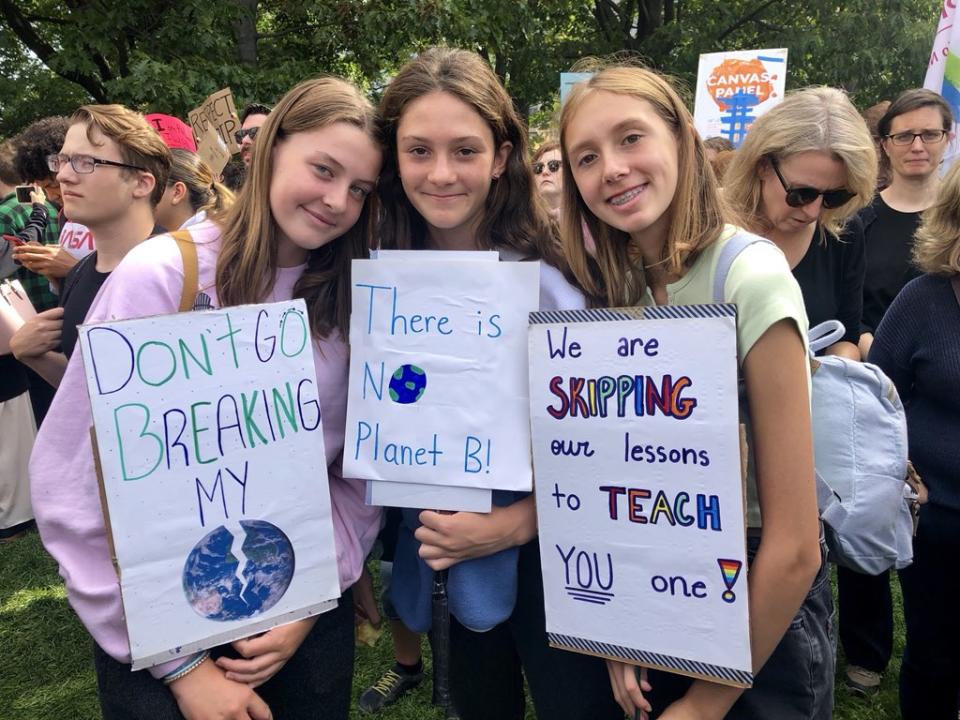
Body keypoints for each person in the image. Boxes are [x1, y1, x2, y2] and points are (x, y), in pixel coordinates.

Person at [29, 76, 382, 720]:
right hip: (161, 634)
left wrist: (314, 592)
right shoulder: (161, 273)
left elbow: (355, 468)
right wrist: (181, 666)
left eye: (359, 188)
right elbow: (71, 480)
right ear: (270, 151)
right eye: (323, 169)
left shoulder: (355, 294)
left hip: (301, 628)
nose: (337, 200)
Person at [559, 63, 825, 719]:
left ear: (680, 137)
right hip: (656, 584)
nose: (611, 169)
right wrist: (620, 623)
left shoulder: (750, 277)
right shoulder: (614, 292)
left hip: (759, 609)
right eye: (586, 157)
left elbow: (795, 547)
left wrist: (709, 701)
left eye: (630, 138)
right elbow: (616, 481)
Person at [376, 46, 620, 720]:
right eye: (419, 150)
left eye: (465, 149)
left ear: (502, 154)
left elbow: (618, 445)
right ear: (394, 156)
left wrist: (516, 524)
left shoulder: (563, 269)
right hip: (442, 550)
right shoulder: (373, 272)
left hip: (565, 553)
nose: (442, 173)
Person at [841, 88, 953, 696]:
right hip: (875, 387)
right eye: (903, 135)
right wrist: (865, 347)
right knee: (869, 516)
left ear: (945, 139)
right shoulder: (861, 221)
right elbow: (851, 300)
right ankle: (867, 649)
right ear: (884, 145)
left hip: (942, 394)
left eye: (927, 134)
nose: (915, 145)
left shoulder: (955, 214)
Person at [869, 160, 960, 720]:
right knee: (935, 657)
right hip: (939, 523)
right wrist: (901, 473)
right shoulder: (922, 300)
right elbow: (875, 407)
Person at [11, 104, 171, 388]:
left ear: (142, 183)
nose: (62, 176)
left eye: (86, 162)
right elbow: (90, 391)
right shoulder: (80, 272)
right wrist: (33, 354)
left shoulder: (177, 274)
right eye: (61, 161)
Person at [723, 86, 876, 361]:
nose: (814, 212)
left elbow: (846, 337)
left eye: (835, 196)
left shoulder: (843, 232)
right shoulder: (708, 223)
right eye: (801, 194)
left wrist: (835, 368)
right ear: (762, 165)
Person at [154, 149, 235, 231]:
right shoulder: (212, 229)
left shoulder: (198, 238)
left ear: (177, 192)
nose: (142, 191)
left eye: (153, 185)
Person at [532, 141, 563, 218]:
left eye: (553, 165)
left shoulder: (590, 218)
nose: (544, 172)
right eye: (538, 167)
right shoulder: (521, 221)